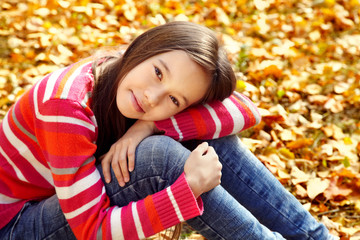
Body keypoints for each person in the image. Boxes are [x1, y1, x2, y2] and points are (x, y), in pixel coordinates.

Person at [0, 21, 335, 240]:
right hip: (13, 225)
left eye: (174, 99)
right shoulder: (66, 107)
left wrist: (147, 125)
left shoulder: (126, 76)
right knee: (160, 158)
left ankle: (314, 237)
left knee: (209, 134)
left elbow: (246, 111)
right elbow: (93, 230)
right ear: (143, 48)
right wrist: (187, 189)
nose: (150, 97)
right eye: (158, 73)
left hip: (60, 202)